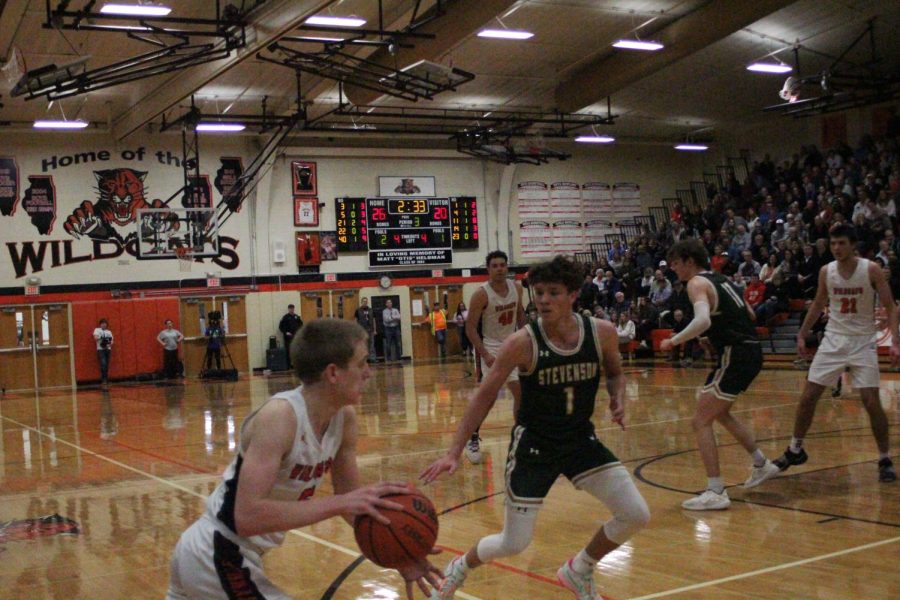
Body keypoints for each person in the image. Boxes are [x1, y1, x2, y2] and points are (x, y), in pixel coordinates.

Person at [421, 256, 649, 600]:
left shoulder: (601, 333)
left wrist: (618, 399)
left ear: (573, 295)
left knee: (636, 514)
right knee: (514, 543)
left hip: (579, 442)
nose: (543, 299)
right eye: (538, 292)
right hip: (535, 447)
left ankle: (579, 569)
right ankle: (461, 566)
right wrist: (454, 451)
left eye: (553, 292)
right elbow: (483, 396)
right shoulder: (522, 342)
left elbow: (616, 372)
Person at [166, 319, 441, 599]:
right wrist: (340, 503)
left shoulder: (344, 418)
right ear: (333, 373)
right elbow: (246, 517)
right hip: (216, 551)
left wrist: (400, 553)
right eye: (361, 363)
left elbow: (351, 502)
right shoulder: (280, 417)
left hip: (226, 555)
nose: (369, 373)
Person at [764, 224, 899, 483]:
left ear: (853, 245)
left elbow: (890, 306)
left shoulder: (871, 269)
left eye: (841, 243)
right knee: (808, 397)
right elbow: (817, 303)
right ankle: (795, 449)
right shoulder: (827, 271)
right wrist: (802, 333)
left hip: (862, 341)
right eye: (833, 243)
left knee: (871, 402)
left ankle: (884, 458)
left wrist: (895, 341)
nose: (836, 248)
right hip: (833, 339)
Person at [660, 239, 780, 510]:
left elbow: (702, 319)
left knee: (700, 421)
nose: (674, 270)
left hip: (735, 354)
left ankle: (716, 490)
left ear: (689, 261)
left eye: (676, 264)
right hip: (747, 351)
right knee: (719, 414)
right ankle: (761, 463)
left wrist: (675, 340)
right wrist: (713, 334)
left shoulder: (696, 283)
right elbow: (748, 314)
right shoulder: (723, 280)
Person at [464, 250, 525, 464]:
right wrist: (485, 354)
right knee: (488, 399)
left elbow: (521, 317)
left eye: (503, 265)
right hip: (490, 347)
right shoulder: (481, 293)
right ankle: (472, 437)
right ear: (488, 269)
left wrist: (527, 341)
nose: (500, 268)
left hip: (512, 345)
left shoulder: (517, 288)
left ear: (507, 267)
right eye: (495, 265)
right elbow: (470, 328)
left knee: (521, 392)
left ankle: (520, 439)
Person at [354, 297, 377, 362]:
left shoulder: (371, 310)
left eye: (366, 301)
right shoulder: (358, 310)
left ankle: (372, 358)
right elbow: (355, 320)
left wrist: (375, 330)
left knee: (372, 344)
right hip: (362, 330)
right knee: (363, 344)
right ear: (361, 302)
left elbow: (374, 320)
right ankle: (364, 359)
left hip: (370, 329)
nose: (365, 302)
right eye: (364, 301)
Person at [93, 318, 113, 385]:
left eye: (105, 324)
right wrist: (104, 339)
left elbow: (111, 341)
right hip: (101, 349)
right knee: (103, 364)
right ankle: (103, 379)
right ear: (100, 324)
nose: (104, 325)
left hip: (107, 349)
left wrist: (105, 342)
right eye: (102, 323)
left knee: (106, 365)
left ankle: (106, 379)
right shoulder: (97, 330)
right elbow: (96, 338)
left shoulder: (109, 332)